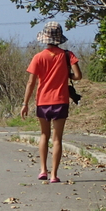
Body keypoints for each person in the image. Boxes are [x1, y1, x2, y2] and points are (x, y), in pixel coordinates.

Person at [20, 22, 82, 183]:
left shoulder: (38, 57)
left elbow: (30, 83)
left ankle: (43, 170)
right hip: (61, 101)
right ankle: (54, 175)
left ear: (45, 39)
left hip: (43, 101)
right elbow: (78, 76)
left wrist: (25, 103)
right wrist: (66, 76)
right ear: (60, 38)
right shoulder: (68, 55)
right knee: (57, 139)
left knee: (43, 135)